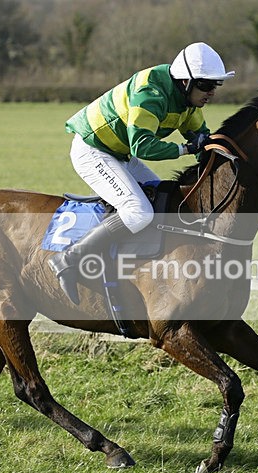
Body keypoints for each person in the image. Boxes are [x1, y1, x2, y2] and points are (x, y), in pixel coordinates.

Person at [49, 42, 235, 304]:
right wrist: (185, 148)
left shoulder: (188, 102)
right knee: (138, 211)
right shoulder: (150, 93)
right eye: (206, 85)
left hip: (121, 152)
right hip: (94, 150)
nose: (212, 92)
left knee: (165, 201)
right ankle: (69, 258)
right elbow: (143, 145)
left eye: (216, 85)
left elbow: (199, 138)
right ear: (185, 82)